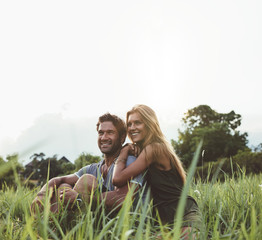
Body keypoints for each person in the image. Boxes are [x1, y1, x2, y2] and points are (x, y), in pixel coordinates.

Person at [112, 104, 203, 239]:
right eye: (129, 124)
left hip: (185, 215)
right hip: (163, 222)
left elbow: (117, 179)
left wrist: (124, 152)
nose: (132, 128)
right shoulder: (145, 151)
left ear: (149, 124)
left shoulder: (155, 149)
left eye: (137, 123)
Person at [31, 113, 144, 214]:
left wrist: (79, 198)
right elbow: (59, 180)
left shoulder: (129, 161)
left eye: (110, 132)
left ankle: (57, 228)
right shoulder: (94, 168)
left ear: (122, 137)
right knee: (64, 187)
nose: (104, 137)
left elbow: (123, 198)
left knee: (87, 180)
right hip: (94, 218)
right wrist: (41, 195)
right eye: (101, 133)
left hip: (120, 223)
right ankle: (53, 226)